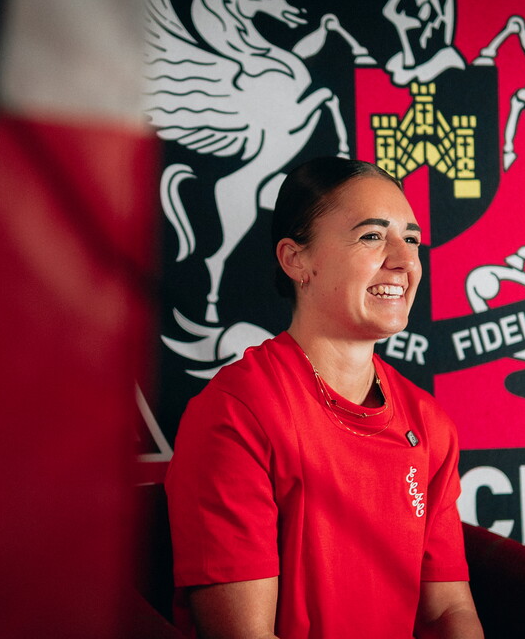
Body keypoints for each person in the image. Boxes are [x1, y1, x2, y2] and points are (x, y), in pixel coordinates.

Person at [165, 157, 483, 639]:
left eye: (412, 239)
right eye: (372, 236)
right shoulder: (236, 413)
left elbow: (448, 613)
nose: (404, 260)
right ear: (296, 260)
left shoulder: (428, 421)